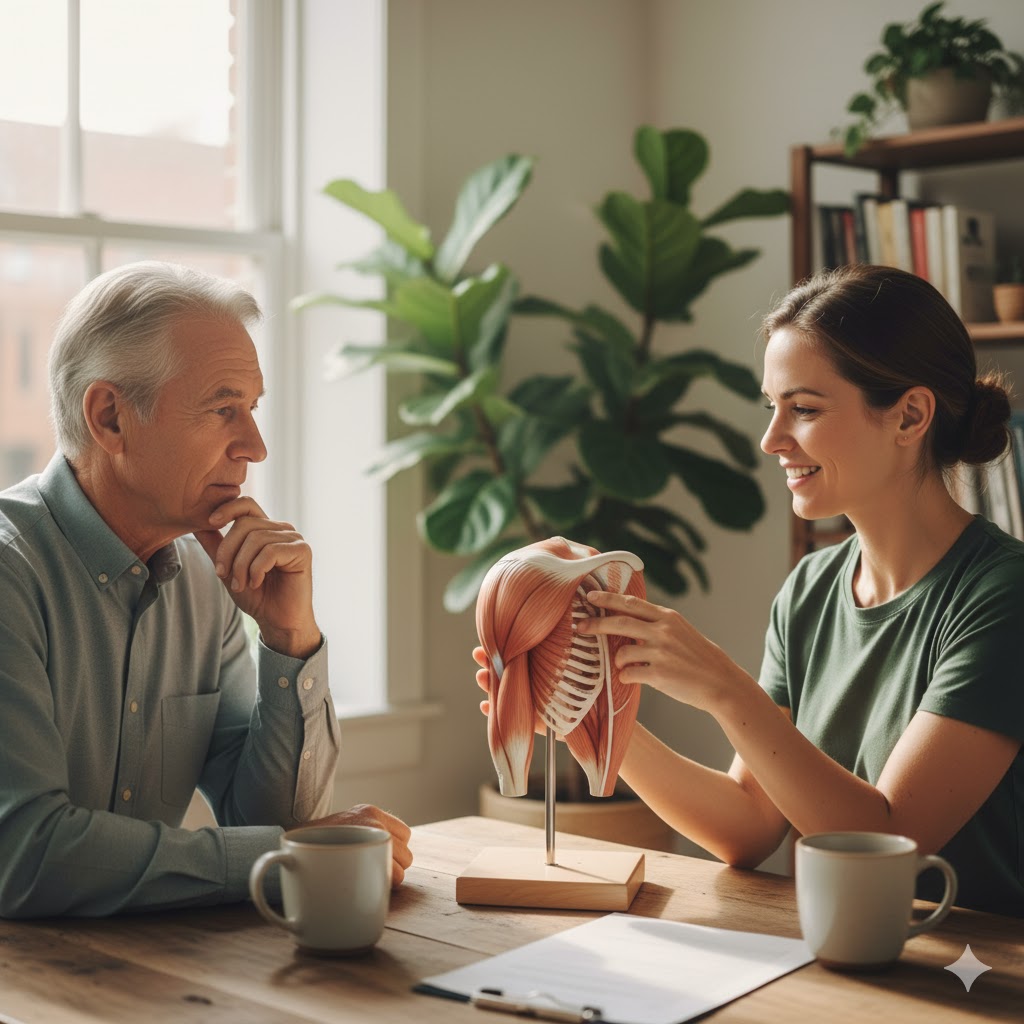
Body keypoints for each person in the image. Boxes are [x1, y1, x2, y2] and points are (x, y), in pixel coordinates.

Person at [475, 264, 1024, 916]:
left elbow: (889, 841)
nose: (772, 439)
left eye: (805, 409)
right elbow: (749, 827)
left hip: (975, 974)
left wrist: (722, 686)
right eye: (772, 407)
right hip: (836, 952)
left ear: (909, 415)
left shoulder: (1001, 596)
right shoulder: (812, 589)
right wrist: (588, 716)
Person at [0, 261, 412, 918]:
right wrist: (282, 857)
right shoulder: (9, 575)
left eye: (251, 409)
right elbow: (22, 853)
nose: (255, 446)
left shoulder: (204, 575)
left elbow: (270, 816)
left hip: (146, 982)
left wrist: (290, 637)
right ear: (110, 418)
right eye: (223, 409)